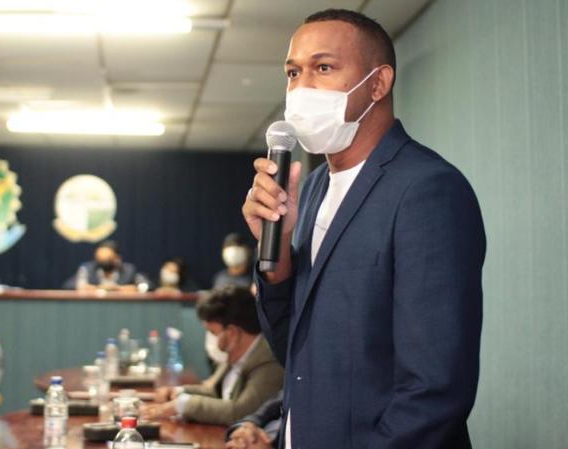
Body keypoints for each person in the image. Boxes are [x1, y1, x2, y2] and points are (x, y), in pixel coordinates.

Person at [241, 9, 486, 449]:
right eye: (293, 73)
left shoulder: (427, 190)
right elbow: (295, 352)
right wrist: (277, 258)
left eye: (323, 67)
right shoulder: (310, 189)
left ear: (378, 83)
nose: (301, 88)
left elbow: (434, 389)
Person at [140, 286, 284, 426]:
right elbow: (213, 390)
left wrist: (182, 405)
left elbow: (240, 412)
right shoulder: (233, 352)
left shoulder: (268, 359)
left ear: (232, 333)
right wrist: (178, 392)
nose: (210, 339)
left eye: (213, 333)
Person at [62, 240, 146, 291]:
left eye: (108, 258)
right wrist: (97, 288)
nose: (103, 261)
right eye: (100, 258)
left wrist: (117, 289)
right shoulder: (88, 269)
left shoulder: (129, 270)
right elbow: (69, 285)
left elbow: (145, 286)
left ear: (117, 258)